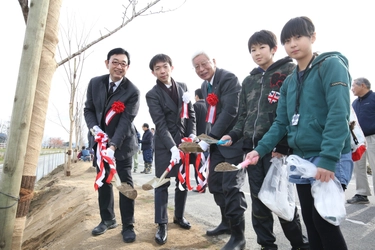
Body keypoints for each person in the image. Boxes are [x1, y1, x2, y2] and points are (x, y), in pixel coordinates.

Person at [245, 17, 352, 250]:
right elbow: (281, 123)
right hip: (301, 159)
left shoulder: (331, 65)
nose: (293, 44)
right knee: (311, 223)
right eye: (287, 40)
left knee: (325, 222)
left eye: (298, 37)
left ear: (312, 37)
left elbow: (338, 114)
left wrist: (328, 159)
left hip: (327, 157)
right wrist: (258, 150)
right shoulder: (290, 81)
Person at [221, 30, 309, 250]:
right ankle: (266, 245)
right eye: (253, 49)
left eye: (262, 47)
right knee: (259, 203)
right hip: (252, 151)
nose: (257, 53)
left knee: (280, 200)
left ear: (273, 49)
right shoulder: (248, 80)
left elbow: (297, 112)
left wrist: (284, 145)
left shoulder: (290, 71)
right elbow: (243, 116)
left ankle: (299, 244)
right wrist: (232, 135)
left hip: (278, 151)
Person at [84, 47, 140, 243]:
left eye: (123, 64)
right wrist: (94, 129)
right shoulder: (95, 83)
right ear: (107, 63)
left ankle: (128, 225)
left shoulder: (132, 91)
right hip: (99, 143)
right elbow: (88, 109)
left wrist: (113, 146)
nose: (119, 66)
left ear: (128, 67)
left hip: (122, 146)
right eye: (115, 62)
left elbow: (126, 122)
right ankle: (108, 220)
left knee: (125, 184)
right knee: (104, 182)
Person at [192, 51, 247, 250]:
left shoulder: (228, 79)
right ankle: (226, 223)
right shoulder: (205, 86)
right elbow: (211, 116)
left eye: (204, 64)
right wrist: (204, 138)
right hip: (217, 145)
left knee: (231, 188)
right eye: (196, 67)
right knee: (215, 184)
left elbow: (230, 111)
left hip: (233, 142)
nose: (201, 69)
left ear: (214, 62)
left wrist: (210, 138)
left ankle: (239, 237)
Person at [145, 54, 196, 245]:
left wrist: (191, 136)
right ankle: (162, 223)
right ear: (153, 72)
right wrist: (172, 147)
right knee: (162, 183)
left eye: (164, 66)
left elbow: (191, 114)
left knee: (182, 181)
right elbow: (160, 123)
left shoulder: (183, 86)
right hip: (165, 145)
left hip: (184, 142)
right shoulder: (152, 94)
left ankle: (179, 216)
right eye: (157, 68)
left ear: (171, 67)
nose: (162, 71)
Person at [347, 77, 375, 204]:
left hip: (373, 137)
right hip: (359, 140)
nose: (352, 89)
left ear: (362, 85)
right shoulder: (355, 103)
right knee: (359, 166)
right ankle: (362, 194)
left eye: (353, 86)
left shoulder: (373, 98)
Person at [191, 88, 208, 193]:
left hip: (198, 139)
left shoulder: (195, 106)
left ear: (196, 96)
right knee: (206, 163)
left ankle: (201, 185)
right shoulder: (209, 106)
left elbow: (192, 123)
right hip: (209, 138)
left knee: (198, 163)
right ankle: (205, 183)